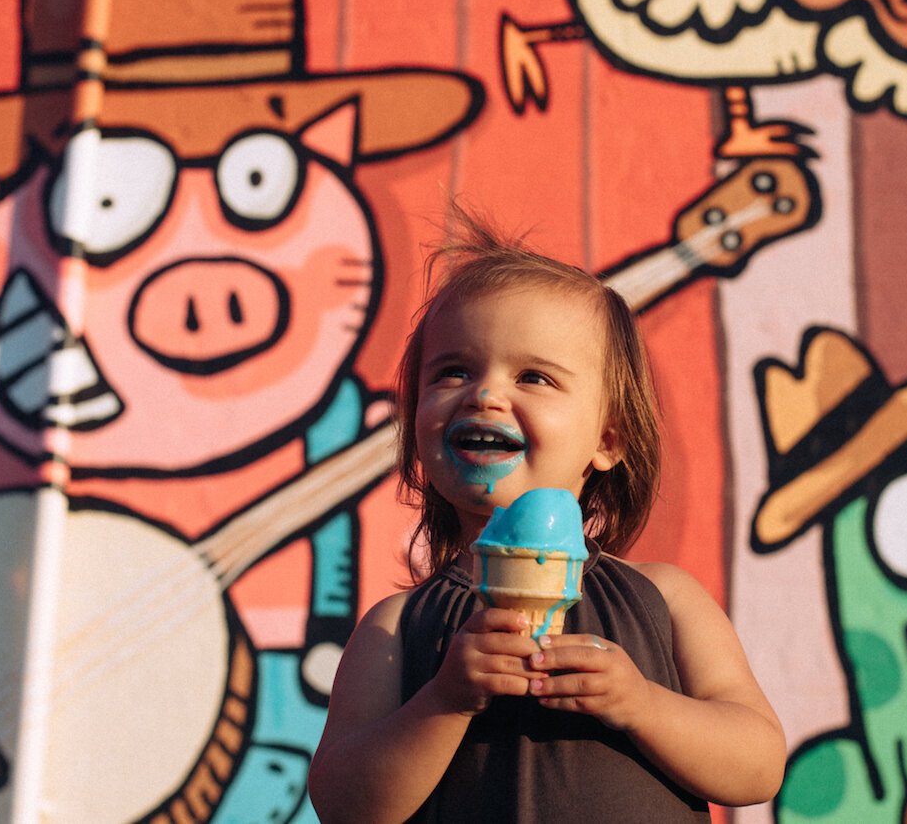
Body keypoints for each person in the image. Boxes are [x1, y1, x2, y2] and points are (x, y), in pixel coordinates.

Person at [308, 215, 785, 822]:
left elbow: (758, 766)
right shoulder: (395, 628)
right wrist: (445, 702)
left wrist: (640, 704)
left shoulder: (665, 598)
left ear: (608, 439)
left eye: (533, 376)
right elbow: (345, 806)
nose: (484, 395)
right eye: (453, 371)